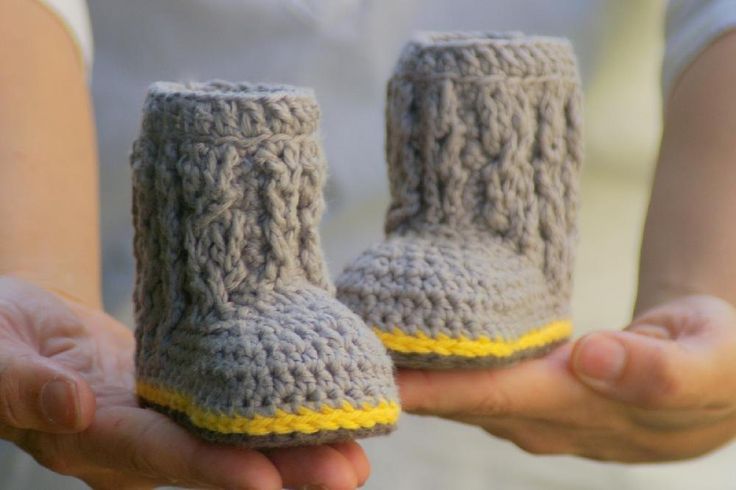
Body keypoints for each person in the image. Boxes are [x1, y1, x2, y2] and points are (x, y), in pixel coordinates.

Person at [1, 0, 735, 489]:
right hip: (86, 237)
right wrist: (33, 267)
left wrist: (708, 284)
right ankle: (184, 332)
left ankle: (526, 272)